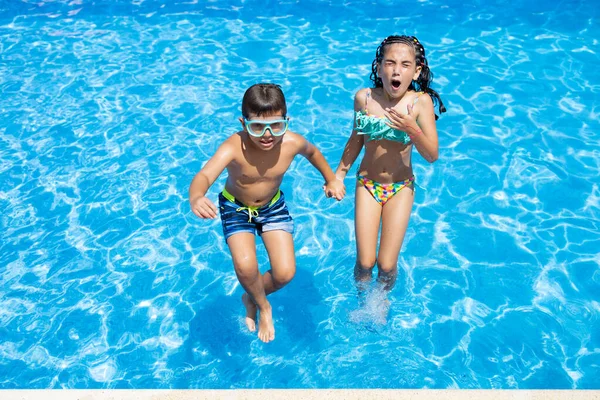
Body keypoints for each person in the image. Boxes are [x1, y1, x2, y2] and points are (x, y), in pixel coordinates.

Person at [189, 83, 345, 343]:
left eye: (277, 125)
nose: (268, 135)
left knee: (285, 273)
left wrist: (331, 179)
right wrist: (196, 196)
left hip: (272, 207)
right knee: (245, 265)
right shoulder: (234, 147)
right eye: (257, 127)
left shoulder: (292, 142)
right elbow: (205, 175)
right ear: (243, 123)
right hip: (236, 208)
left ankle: (249, 296)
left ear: (287, 120)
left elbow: (313, 153)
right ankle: (263, 306)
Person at [334, 35, 446, 299]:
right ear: (379, 66)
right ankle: (363, 300)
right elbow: (356, 139)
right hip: (367, 185)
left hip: (400, 188)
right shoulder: (365, 98)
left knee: (386, 264)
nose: (397, 70)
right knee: (365, 262)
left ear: (416, 71)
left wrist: (411, 128)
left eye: (406, 65)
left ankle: (380, 301)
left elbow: (432, 155)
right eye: (390, 63)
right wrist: (338, 176)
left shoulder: (420, 103)